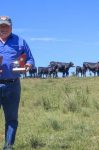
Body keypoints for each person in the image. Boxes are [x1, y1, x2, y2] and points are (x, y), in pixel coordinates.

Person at [0, 16, 35, 150]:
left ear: (11, 27)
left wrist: (27, 65)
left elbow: (30, 59)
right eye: (1, 26)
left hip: (13, 85)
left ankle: (8, 147)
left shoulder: (20, 41)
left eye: (5, 26)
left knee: (11, 118)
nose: (3, 29)